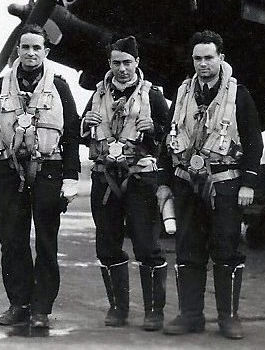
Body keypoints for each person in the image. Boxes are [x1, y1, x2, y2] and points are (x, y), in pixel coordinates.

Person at [159, 30, 263, 339]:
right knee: (187, 249)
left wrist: (248, 184)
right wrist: (164, 184)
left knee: (226, 249)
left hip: (225, 184)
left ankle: (228, 317)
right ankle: (190, 315)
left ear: (221, 58)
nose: (203, 64)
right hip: (186, 184)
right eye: (198, 58)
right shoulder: (181, 94)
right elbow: (169, 138)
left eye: (209, 57)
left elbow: (254, 143)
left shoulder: (239, 94)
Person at [0, 24, 80, 329]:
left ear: (46, 52)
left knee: (46, 241)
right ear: (18, 50)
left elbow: (73, 133)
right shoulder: (1, 87)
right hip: (9, 171)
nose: (31, 53)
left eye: (37, 48)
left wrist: (71, 176)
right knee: (11, 239)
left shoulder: (60, 87)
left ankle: (41, 309)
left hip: (48, 170)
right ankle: (19, 304)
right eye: (25, 47)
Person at [80, 36, 170, 331]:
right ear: (109, 64)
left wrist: (154, 129)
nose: (122, 69)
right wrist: (86, 124)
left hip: (140, 177)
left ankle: (154, 311)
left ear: (137, 63)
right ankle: (118, 308)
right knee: (107, 244)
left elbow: (170, 136)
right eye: (116, 63)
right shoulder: (96, 96)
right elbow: (81, 134)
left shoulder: (152, 96)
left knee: (146, 245)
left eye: (127, 63)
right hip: (104, 177)